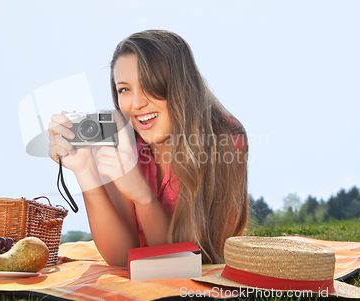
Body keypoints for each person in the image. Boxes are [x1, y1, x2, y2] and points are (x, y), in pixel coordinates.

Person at [48, 30, 248, 266]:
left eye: (150, 85)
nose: (137, 104)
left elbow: (186, 263)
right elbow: (122, 259)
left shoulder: (225, 138)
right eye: (124, 89)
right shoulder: (120, 136)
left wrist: (142, 197)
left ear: (183, 86)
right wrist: (85, 172)